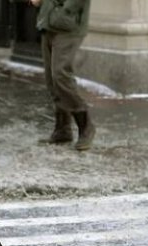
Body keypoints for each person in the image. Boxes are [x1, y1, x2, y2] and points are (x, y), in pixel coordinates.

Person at [32, 0, 96, 151]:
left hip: (68, 25)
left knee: (61, 75)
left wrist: (63, 12)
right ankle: (63, 129)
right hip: (49, 24)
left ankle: (85, 125)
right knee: (51, 79)